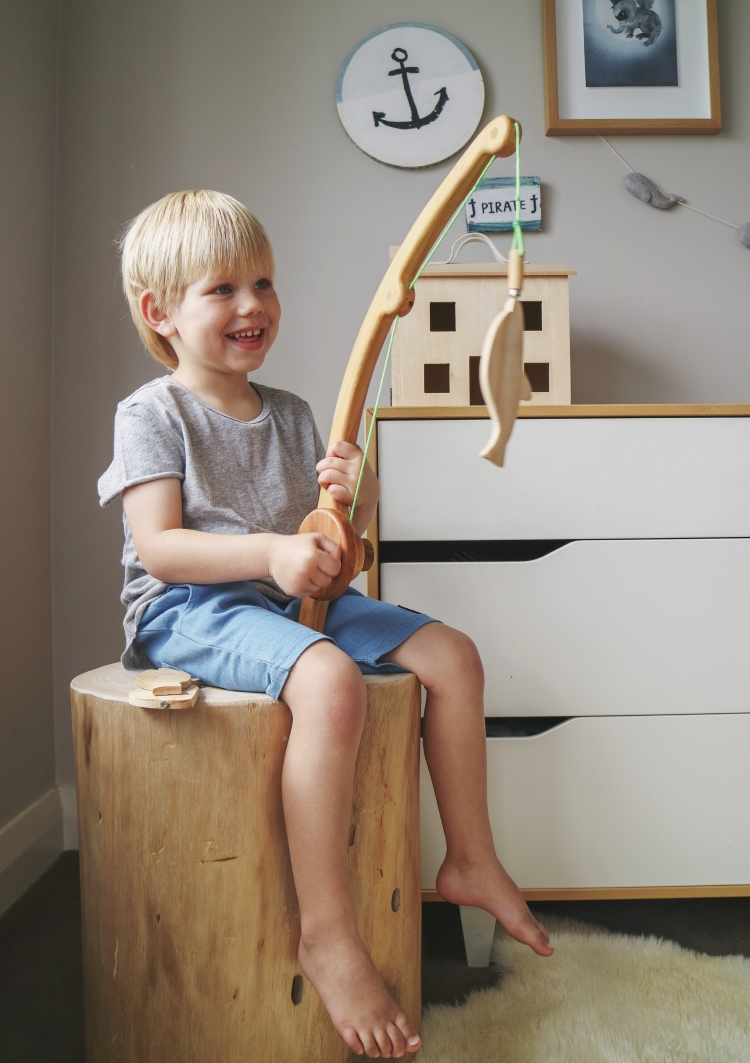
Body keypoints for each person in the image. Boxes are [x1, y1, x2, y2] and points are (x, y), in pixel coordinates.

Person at [99, 190, 553, 1060]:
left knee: (453, 655)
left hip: (285, 602)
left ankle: (470, 857)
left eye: (263, 283)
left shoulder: (296, 413)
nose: (253, 304)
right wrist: (273, 554)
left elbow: (333, 558)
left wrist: (356, 504)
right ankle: (328, 930)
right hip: (188, 608)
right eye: (223, 288)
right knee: (331, 680)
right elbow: (160, 548)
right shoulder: (151, 413)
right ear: (160, 312)